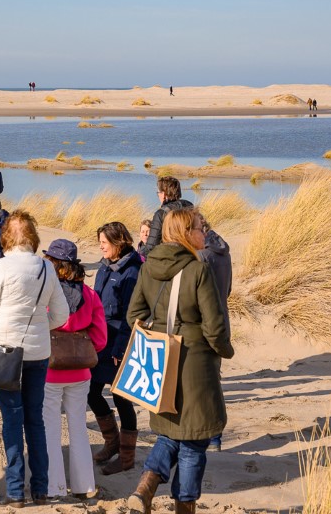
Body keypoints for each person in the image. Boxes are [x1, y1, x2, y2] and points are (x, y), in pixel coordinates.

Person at [125, 208, 233, 514]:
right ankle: (184, 507)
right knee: (195, 440)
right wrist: (225, 350)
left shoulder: (148, 267)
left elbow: (134, 316)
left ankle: (145, 488)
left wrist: (158, 331)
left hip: (161, 360)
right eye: (200, 227)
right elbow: (214, 327)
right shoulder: (199, 270)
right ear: (186, 233)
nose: (205, 233)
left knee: (171, 431)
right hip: (196, 363)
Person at [0, 210, 69, 508]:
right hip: (38, 353)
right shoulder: (46, 268)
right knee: (35, 420)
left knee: (12, 421)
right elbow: (62, 315)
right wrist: (41, 328)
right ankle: (40, 488)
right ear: (32, 236)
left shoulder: (1, 267)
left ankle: (16, 490)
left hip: (6, 352)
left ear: (6, 237)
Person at [41, 239, 106, 500]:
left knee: (51, 429)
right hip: (80, 373)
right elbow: (100, 339)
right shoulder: (89, 294)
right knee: (78, 427)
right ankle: (84, 486)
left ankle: (54, 487)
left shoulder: (46, 294)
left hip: (50, 369)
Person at [90, 221, 145, 474]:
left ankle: (126, 457)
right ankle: (112, 442)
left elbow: (130, 316)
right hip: (99, 342)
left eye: (105, 242)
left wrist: (120, 349)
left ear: (118, 242)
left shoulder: (132, 272)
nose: (101, 246)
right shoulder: (104, 267)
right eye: (100, 242)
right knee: (92, 393)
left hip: (119, 345)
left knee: (122, 398)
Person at [196, 213, 232, 452]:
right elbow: (227, 290)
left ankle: (211, 436)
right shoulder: (224, 252)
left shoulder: (201, 256)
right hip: (221, 321)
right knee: (213, 380)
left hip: (203, 326)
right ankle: (213, 437)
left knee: (203, 384)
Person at [140, 177, 194, 257]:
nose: (158, 195)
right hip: (191, 254)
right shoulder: (191, 208)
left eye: (158, 192)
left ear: (164, 194)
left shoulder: (161, 214)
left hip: (169, 257)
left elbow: (151, 246)